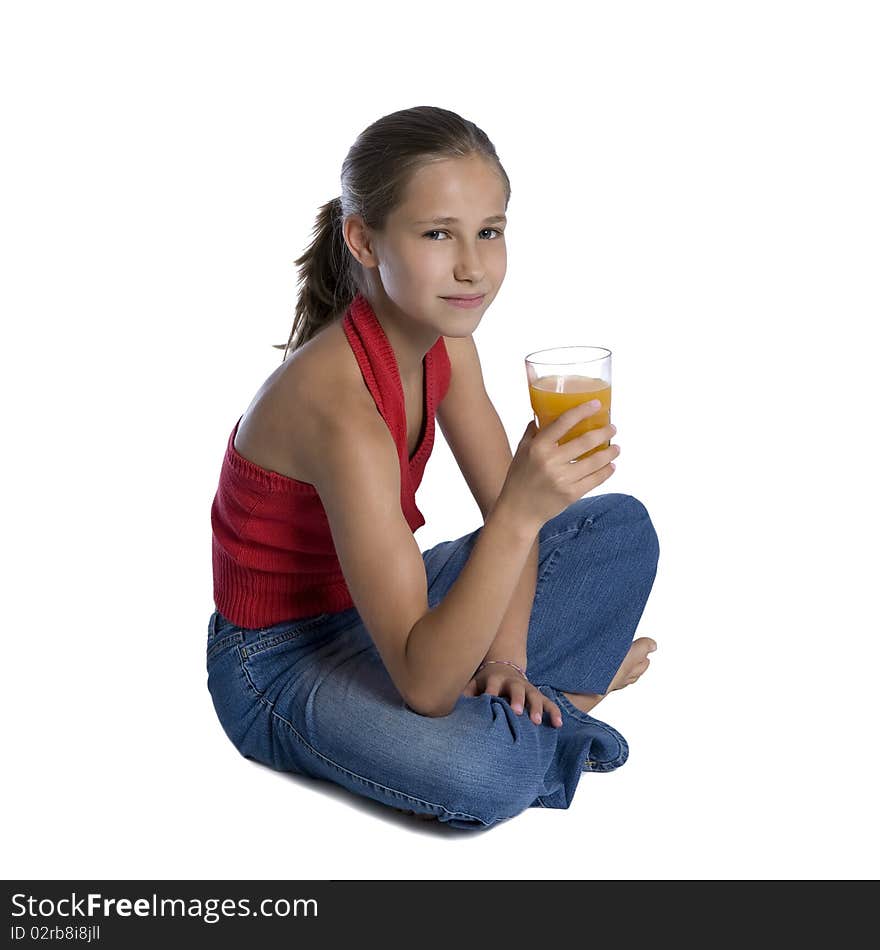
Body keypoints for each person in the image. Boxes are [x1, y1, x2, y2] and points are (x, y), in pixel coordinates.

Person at [207, 105, 660, 830]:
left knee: (617, 526)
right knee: (486, 769)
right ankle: (577, 700)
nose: (472, 266)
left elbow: (512, 521)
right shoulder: (337, 409)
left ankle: (532, 698)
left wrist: (507, 662)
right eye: (437, 234)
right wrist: (519, 512)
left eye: (489, 231)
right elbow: (424, 683)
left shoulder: (448, 347)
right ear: (363, 238)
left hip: (389, 605)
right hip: (279, 662)